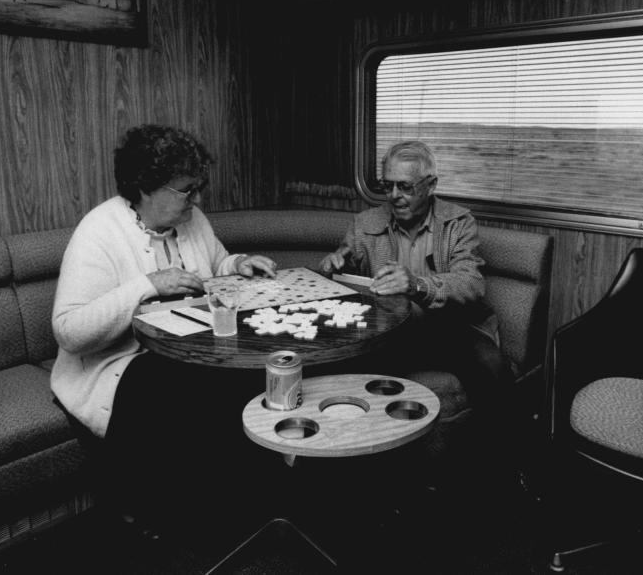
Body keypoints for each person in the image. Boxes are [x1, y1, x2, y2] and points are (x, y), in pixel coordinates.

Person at [50, 124, 278, 541]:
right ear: (145, 187)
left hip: (191, 348)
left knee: (247, 369)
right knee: (171, 384)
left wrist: (238, 263)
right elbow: (69, 332)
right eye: (187, 190)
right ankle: (168, 515)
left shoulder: (192, 219)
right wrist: (148, 285)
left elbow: (216, 262)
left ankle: (243, 502)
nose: (197, 199)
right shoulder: (98, 231)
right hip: (118, 362)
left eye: (198, 188)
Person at [319, 140, 516, 485]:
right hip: (391, 332)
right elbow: (343, 262)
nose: (394, 195)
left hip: (450, 329)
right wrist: (333, 264)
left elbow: (470, 284)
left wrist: (416, 285)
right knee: (347, 371)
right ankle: (359, 473)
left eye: (405, 187)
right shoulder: (365, 222)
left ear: (431, 185)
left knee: (492, 365)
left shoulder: (458, 223)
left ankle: (503, 472)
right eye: (387, 185)